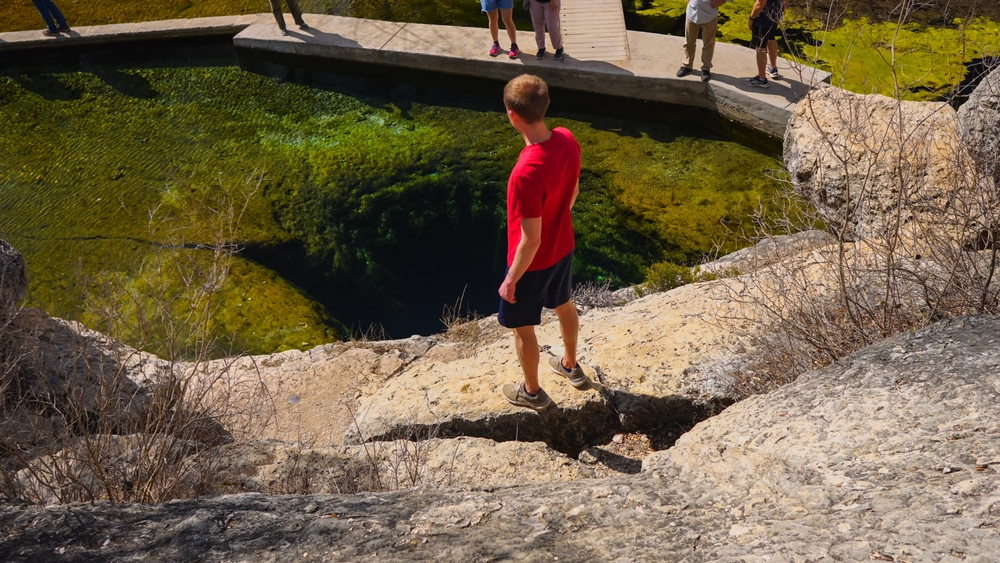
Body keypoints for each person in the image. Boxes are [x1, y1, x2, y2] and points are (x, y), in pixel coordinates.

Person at [498, 74, 588, 411]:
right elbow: (573, 192)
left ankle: (532, 393)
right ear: (545, 105)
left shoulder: (525, 173)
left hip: (531, 263)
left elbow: (530, 240)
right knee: (564, 304)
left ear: (513, 116)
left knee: (523, 329)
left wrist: (511, 280)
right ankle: (570, 366)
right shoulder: (567, 139)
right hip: (563, 245)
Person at [676, 0, 728, 82]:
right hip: (691, 13)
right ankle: (687, 65)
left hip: (709, 15)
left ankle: (706, 68)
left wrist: (723, 0)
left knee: (708, 44)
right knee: (689, 41)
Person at [744, 0, 788, 88]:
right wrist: (781, 12)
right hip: (775, 16)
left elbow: (760, 4)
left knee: (760, 48)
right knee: (771, 38)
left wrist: (751, 18)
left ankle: (761, 79)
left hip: (763, 19)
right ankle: (772, 68)